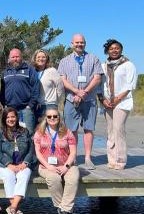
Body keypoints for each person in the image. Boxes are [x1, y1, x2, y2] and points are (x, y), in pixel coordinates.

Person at [58, 34, 103, 170]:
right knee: (72, 130)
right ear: (72, 44)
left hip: (89, 100)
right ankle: (74, 157)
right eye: (77, 42)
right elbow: (63, 80)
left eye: (82, 42)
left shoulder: (94, 58)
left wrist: (84, 92)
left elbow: (97, 78)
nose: (79, 44)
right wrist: (77, 92)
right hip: (71, 100)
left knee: (89, 129)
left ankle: (88, 158)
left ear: (85, 43)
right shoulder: (64, 61)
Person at [34, 107, 79, 214]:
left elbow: (73, 152)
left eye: (55, 116)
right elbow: (38, 153)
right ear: (46, 118)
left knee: (73, 178)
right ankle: (63, 208)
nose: (52, 118)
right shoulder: (39, 132)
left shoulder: (67, 132)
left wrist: (66, 166)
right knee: (54, 178)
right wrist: (48, 166)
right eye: (49, 116)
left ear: (59, 118)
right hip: (46, 166)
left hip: (67, 164)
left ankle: (64, 209)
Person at [98, 39, 137, 170]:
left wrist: (118, 98)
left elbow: (130, 85)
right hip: (107, 102)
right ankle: (112, 159)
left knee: (118, 129)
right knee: (110, 131)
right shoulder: (104, 66)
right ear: (107, 51)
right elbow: (100, 85)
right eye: (111, 48)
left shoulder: (128, 64)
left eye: (117, 48)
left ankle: (121, 160)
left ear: (121, 49)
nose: (114, 50)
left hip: (122, 102)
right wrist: (103, 100)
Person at [0, 107, 35, 214]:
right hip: (3, 165)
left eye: (13, 116)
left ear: (17, 117)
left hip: (21, 164)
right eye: (8, 117)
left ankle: (13, 207)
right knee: (9, 176)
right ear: (4, 119)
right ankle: (15, 207)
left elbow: (31, 150)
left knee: (24, 175)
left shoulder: (25, 132)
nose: (11, 119)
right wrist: (8, 164)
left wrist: (25, 163)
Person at [0, 48, 40, 135]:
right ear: (9, 58)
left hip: (26, 109)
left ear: (21, 57)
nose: (15, 59)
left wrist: (30, 105)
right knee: (10, 134)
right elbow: (2, 90)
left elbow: (36, 88)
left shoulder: (29, 70)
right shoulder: (5, 72)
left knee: (28, 134)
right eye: (13, 57)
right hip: (10, 109)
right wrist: (4, 104)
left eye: (17, 56)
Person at [32, 49, 64, 121]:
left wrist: (57, 101)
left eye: (43, 57)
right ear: (35, 59)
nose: (41, 59)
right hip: (36, 106)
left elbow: (60, 88)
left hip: (50, 105)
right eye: (38, 57)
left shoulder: (52, 71)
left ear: (47, 59)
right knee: (38, 130)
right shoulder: (33, 72)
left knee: (50, 129)